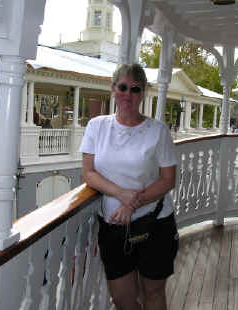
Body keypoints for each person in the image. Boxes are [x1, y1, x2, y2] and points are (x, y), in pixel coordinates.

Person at [80, 63, 178, 310]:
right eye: (122, 87)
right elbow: (88, 173)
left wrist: (133, 204)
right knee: (123, 299)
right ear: (113, 89)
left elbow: (168, 180)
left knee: (153, 292)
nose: (128, 94)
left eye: (135, 89)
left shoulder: (158, 131)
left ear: (143, 93)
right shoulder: (97, 126)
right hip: (114, 226)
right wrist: (123, 195)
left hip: (155, 224)